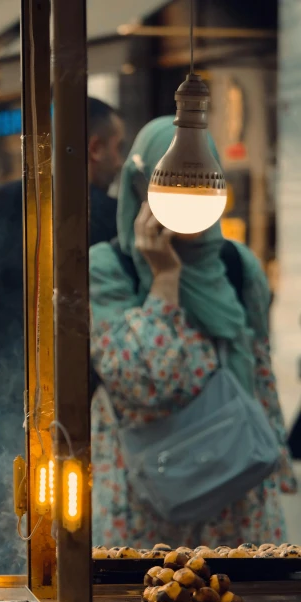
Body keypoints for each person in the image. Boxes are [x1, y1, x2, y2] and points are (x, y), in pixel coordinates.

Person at [89, 116, 296, 549]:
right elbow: (144, 382)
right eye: (171, 188)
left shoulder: (237, 265)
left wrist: (276, 463)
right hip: (148, 502)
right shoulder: (109, 270)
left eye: (203, 185)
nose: (189, 202)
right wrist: (164, 277)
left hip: (238, 496)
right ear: (140, 188)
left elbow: (258, 372)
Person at [0, 96, 125, 576]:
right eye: (116, 147)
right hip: (73, 412)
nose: (117, 159)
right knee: (72, 559)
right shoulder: (108, 218)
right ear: (93, 148)